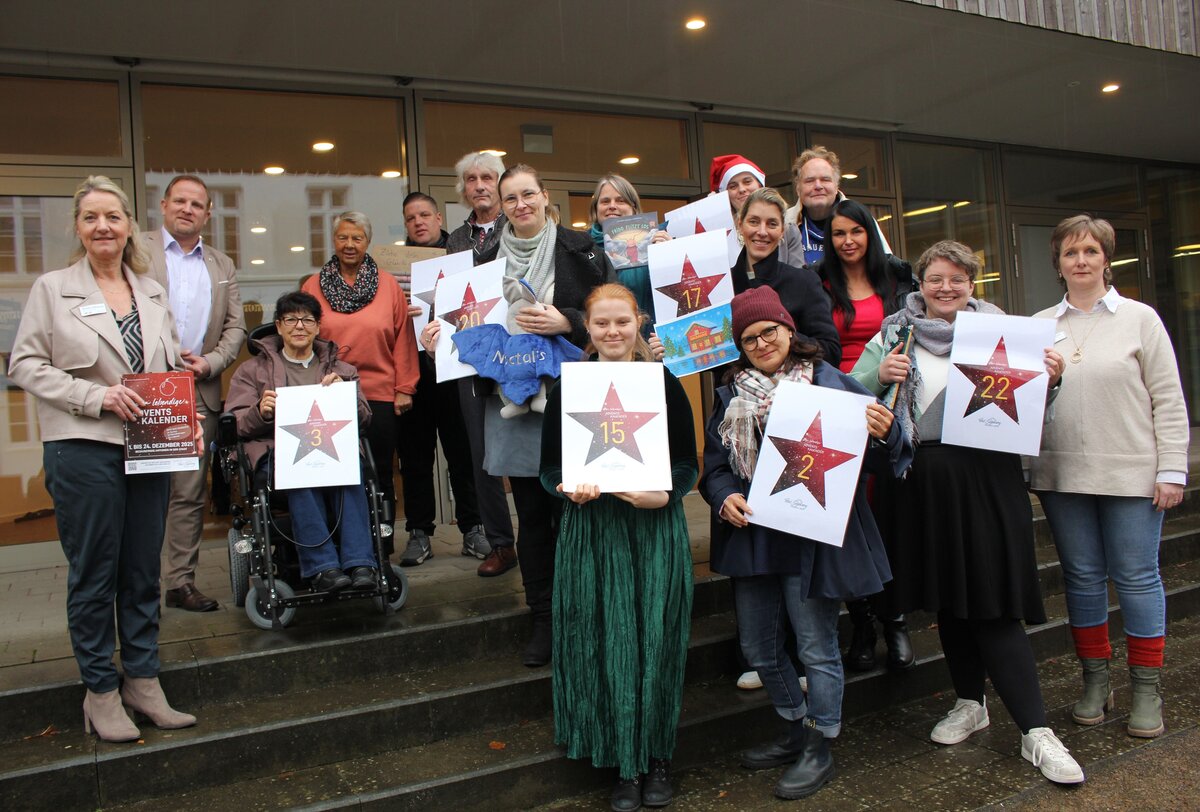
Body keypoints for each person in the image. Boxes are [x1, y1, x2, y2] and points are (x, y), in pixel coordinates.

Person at [850, 240, 1085, 785]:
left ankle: (1036, 732)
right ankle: (969, 702)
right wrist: (876, 374)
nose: (946, 287)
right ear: (920, 283)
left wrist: (1051, 379)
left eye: (957, 278)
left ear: (973, 283)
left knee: (992, 604)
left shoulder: (1004, 332)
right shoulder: (893, 332)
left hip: (986, 481)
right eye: (935, 278)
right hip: (917, 484)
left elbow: (1029, 411)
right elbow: (851, 397)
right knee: (950, 600)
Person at [699, 285, 910, 801]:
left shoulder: (832, 385)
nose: (761, 343)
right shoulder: (730, 396)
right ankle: (794, 726)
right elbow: (715, 467)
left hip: (811, 538)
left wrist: (885, 433)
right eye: (749, 339)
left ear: (789, 330)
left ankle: (820, 740)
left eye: (768, 331)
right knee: (759, 647)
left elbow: (887, 457)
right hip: (755, 535)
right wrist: (724, 496)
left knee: (816, 647)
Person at [9, 176, 197, 742]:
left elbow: (161, 370)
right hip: (82, 446)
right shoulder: (53, 288)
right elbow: (24, 364)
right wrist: (96, 395)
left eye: (112, 216)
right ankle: (100, 691)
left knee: (142, 571)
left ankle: (143, 681)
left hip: (149, 449)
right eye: (91, 218)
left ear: (128, 226)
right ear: (78, 227)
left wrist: (183, 412)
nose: (103, 227)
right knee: (95, 573)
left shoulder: (151, 291)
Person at [422, 163, 612, 666]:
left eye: (529, 194)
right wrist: (440, 338)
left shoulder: (583, 249)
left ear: (545, 196)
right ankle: (544, 619)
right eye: (511, 198)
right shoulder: (478, 261)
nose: (520, 204)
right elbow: (462, 325)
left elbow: (617, 312)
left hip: (574, 398)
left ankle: (583, 616)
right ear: (499, 206)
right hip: (511, 403)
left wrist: (566, 321)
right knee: (531, 514)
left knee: (575, 512)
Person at [539, 283, 697, 811]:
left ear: (639, 324)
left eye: (622, 323)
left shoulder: (665, 384)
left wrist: (665, 493)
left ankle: (655, 757)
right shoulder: (569, 389)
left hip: (652, 528)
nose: (612, 332)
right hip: (592, 530)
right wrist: (566, 486)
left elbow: (686, 462)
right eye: (602, 323)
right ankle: (619, 764)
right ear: (587, 327)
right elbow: (549, 468)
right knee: (603, 639)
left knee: (655, 641)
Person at [1030, 215, 1188, 739]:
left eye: (1091, 252)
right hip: (1064, 473)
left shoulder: (1140, 319)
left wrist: (1172, 469)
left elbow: (1168, 398)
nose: (1081, 261)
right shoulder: (1038, 325)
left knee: (1138, 577)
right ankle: (1095, 681)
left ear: (1106, 259)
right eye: (1071, 253)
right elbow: (1022, 406)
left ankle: (1146, 688)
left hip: (1133, 474)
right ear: (1058, 262)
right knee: (1081, 579)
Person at [813, 197, 917, 671]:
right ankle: (862, 624)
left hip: (891, 410)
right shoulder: (818, 284)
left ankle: (894, 621)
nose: (848, 241)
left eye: (856, 231)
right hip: (839, 409)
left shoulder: (897, 279)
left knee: (887, 518)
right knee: (848, 520)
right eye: (838, 233)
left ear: (870, 234)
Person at [225, 291, 378, 591]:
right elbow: (235, 424)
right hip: (277, 454)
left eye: (307, 320)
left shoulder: (342, 371)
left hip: (333, 452)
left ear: (318, 327)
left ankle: (361, 564)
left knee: (350, 472)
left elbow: (366, 419)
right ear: (278, 326)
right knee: (299, 470)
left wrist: (344, 395)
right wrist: (259, 412)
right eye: (291, 320)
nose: (299, 326)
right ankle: (323, 568)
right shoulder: (251, 371)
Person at [143, 174, 246, 613]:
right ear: (164, 205)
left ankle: (179, 582)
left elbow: (236, 327)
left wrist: (213, 362)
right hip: (142, 390)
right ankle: (138, 584)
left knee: (187, 493)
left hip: (195, 392)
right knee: (140, 494)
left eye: (197, 204)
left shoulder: (221, 265)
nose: (187, 209)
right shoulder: (135, 250)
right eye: (179, 201)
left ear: (207, 213)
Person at [300, 211, 420, 560]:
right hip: (330, 392)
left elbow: (403, 340)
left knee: (379, 472)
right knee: (334, 472)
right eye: (342, 237)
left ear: (367, 242)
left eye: (357, 238)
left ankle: (381, 545)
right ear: (333, 241)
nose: (349, 244)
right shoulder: (312, 286)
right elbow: (304, 339)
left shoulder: (388, 286)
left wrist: (404, 387)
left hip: (379, 392)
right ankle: (341, 547)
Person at [395, 191, 488, 565]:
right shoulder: (392, 267)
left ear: (437, 217)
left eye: (424, 215)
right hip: (410, 371)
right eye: (410, 218)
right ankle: (419, 533)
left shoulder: (461, 255)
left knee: (463, 454)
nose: (418, 222)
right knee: (415, 459)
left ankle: (473, 528)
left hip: (455, 368)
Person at [445, 151, 519, 577]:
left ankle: (545, 536)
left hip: (516, 353)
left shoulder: (520, 225)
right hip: (469, 359)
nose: (479, 185)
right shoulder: (453, 240)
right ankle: (501, 544)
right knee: (482, 454)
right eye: (471, 179)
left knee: (527, 444)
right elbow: (447, 297)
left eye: (487, 177)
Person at [731, 188, 842, 367]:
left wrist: (785, 337)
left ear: (783, 231)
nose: (762, 231)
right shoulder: (722, 285)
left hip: (794, 391)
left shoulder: (804, 282)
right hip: (735, 392)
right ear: (740, 225)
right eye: (753, 221)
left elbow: (831, 351)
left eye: (772, 224)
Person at [784, 145, 891, 268]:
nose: (818, 186)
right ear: (798, 188)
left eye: (825, 179)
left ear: (836, 186)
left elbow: (884, 266)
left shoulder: (860, 219)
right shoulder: (784, 222)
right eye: (810, 181)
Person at [586, 173, 670, 324]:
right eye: (605, 201)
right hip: (605, 339)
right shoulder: (582, 246)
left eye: (621, 200)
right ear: (596, 208)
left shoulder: (656, 239)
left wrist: (670, 253)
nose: (612, 205)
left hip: (651, 339)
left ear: (633, 207)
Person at [708, 154, 804, 266]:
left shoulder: (789, 229)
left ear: (760, 184)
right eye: (733, 186)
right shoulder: (717, 235)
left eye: (747, 182)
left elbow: (798, 276)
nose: (742, 189)